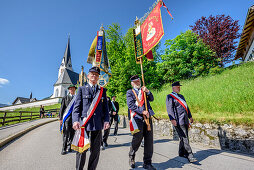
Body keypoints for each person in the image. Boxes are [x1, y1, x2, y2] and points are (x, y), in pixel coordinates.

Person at [72, 66, 110, 170]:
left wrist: (106, 120)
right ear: (88, 76)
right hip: (84, 124)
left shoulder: (102, 91)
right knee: (81, 151)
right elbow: (77, 107)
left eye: (96, 75)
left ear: (98, 78)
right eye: (92, 74)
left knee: (95, 151)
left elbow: (105, 109)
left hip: (97, 124)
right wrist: (75, 120)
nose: (94, 76)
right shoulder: (81, 89)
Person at [126, 75, 156, 170]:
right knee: (137, 138)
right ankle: (132, 156)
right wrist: (142, 111)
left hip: (147, 117)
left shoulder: (144, 90)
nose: (137, 83)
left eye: (138, 81)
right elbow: (131, 105)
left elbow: (151, 99)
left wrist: (148, 92)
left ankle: (147, 163)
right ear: (132, 83)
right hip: (137, 118)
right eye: (135, 82)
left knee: (149, 141)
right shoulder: (130, 92)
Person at [166, 81, 197, 163]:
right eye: (177, 87)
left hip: (185, 119)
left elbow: (187, 107)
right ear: (173, 88)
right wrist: (172, 119)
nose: (179, 88)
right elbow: (169, 109)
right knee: (185, 138)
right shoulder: (170, 97)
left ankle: (181, 152)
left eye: (179, 87)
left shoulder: (181, 96)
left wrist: (190, 116)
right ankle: (190, 155)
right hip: (178, 120)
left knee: (184, 137)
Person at [59, 84, 77, 155]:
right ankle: (64, 148)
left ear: (75, 90)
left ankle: (69, 146)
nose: (72, 90)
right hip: (67, 118)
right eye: (71, 89)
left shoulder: (76, 98)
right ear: (69, 90)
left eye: (73, 89)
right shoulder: (65, 98)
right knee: (66, 133)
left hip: (74, 119)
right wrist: (60, 118)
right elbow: (62, 108)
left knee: (72, 133)